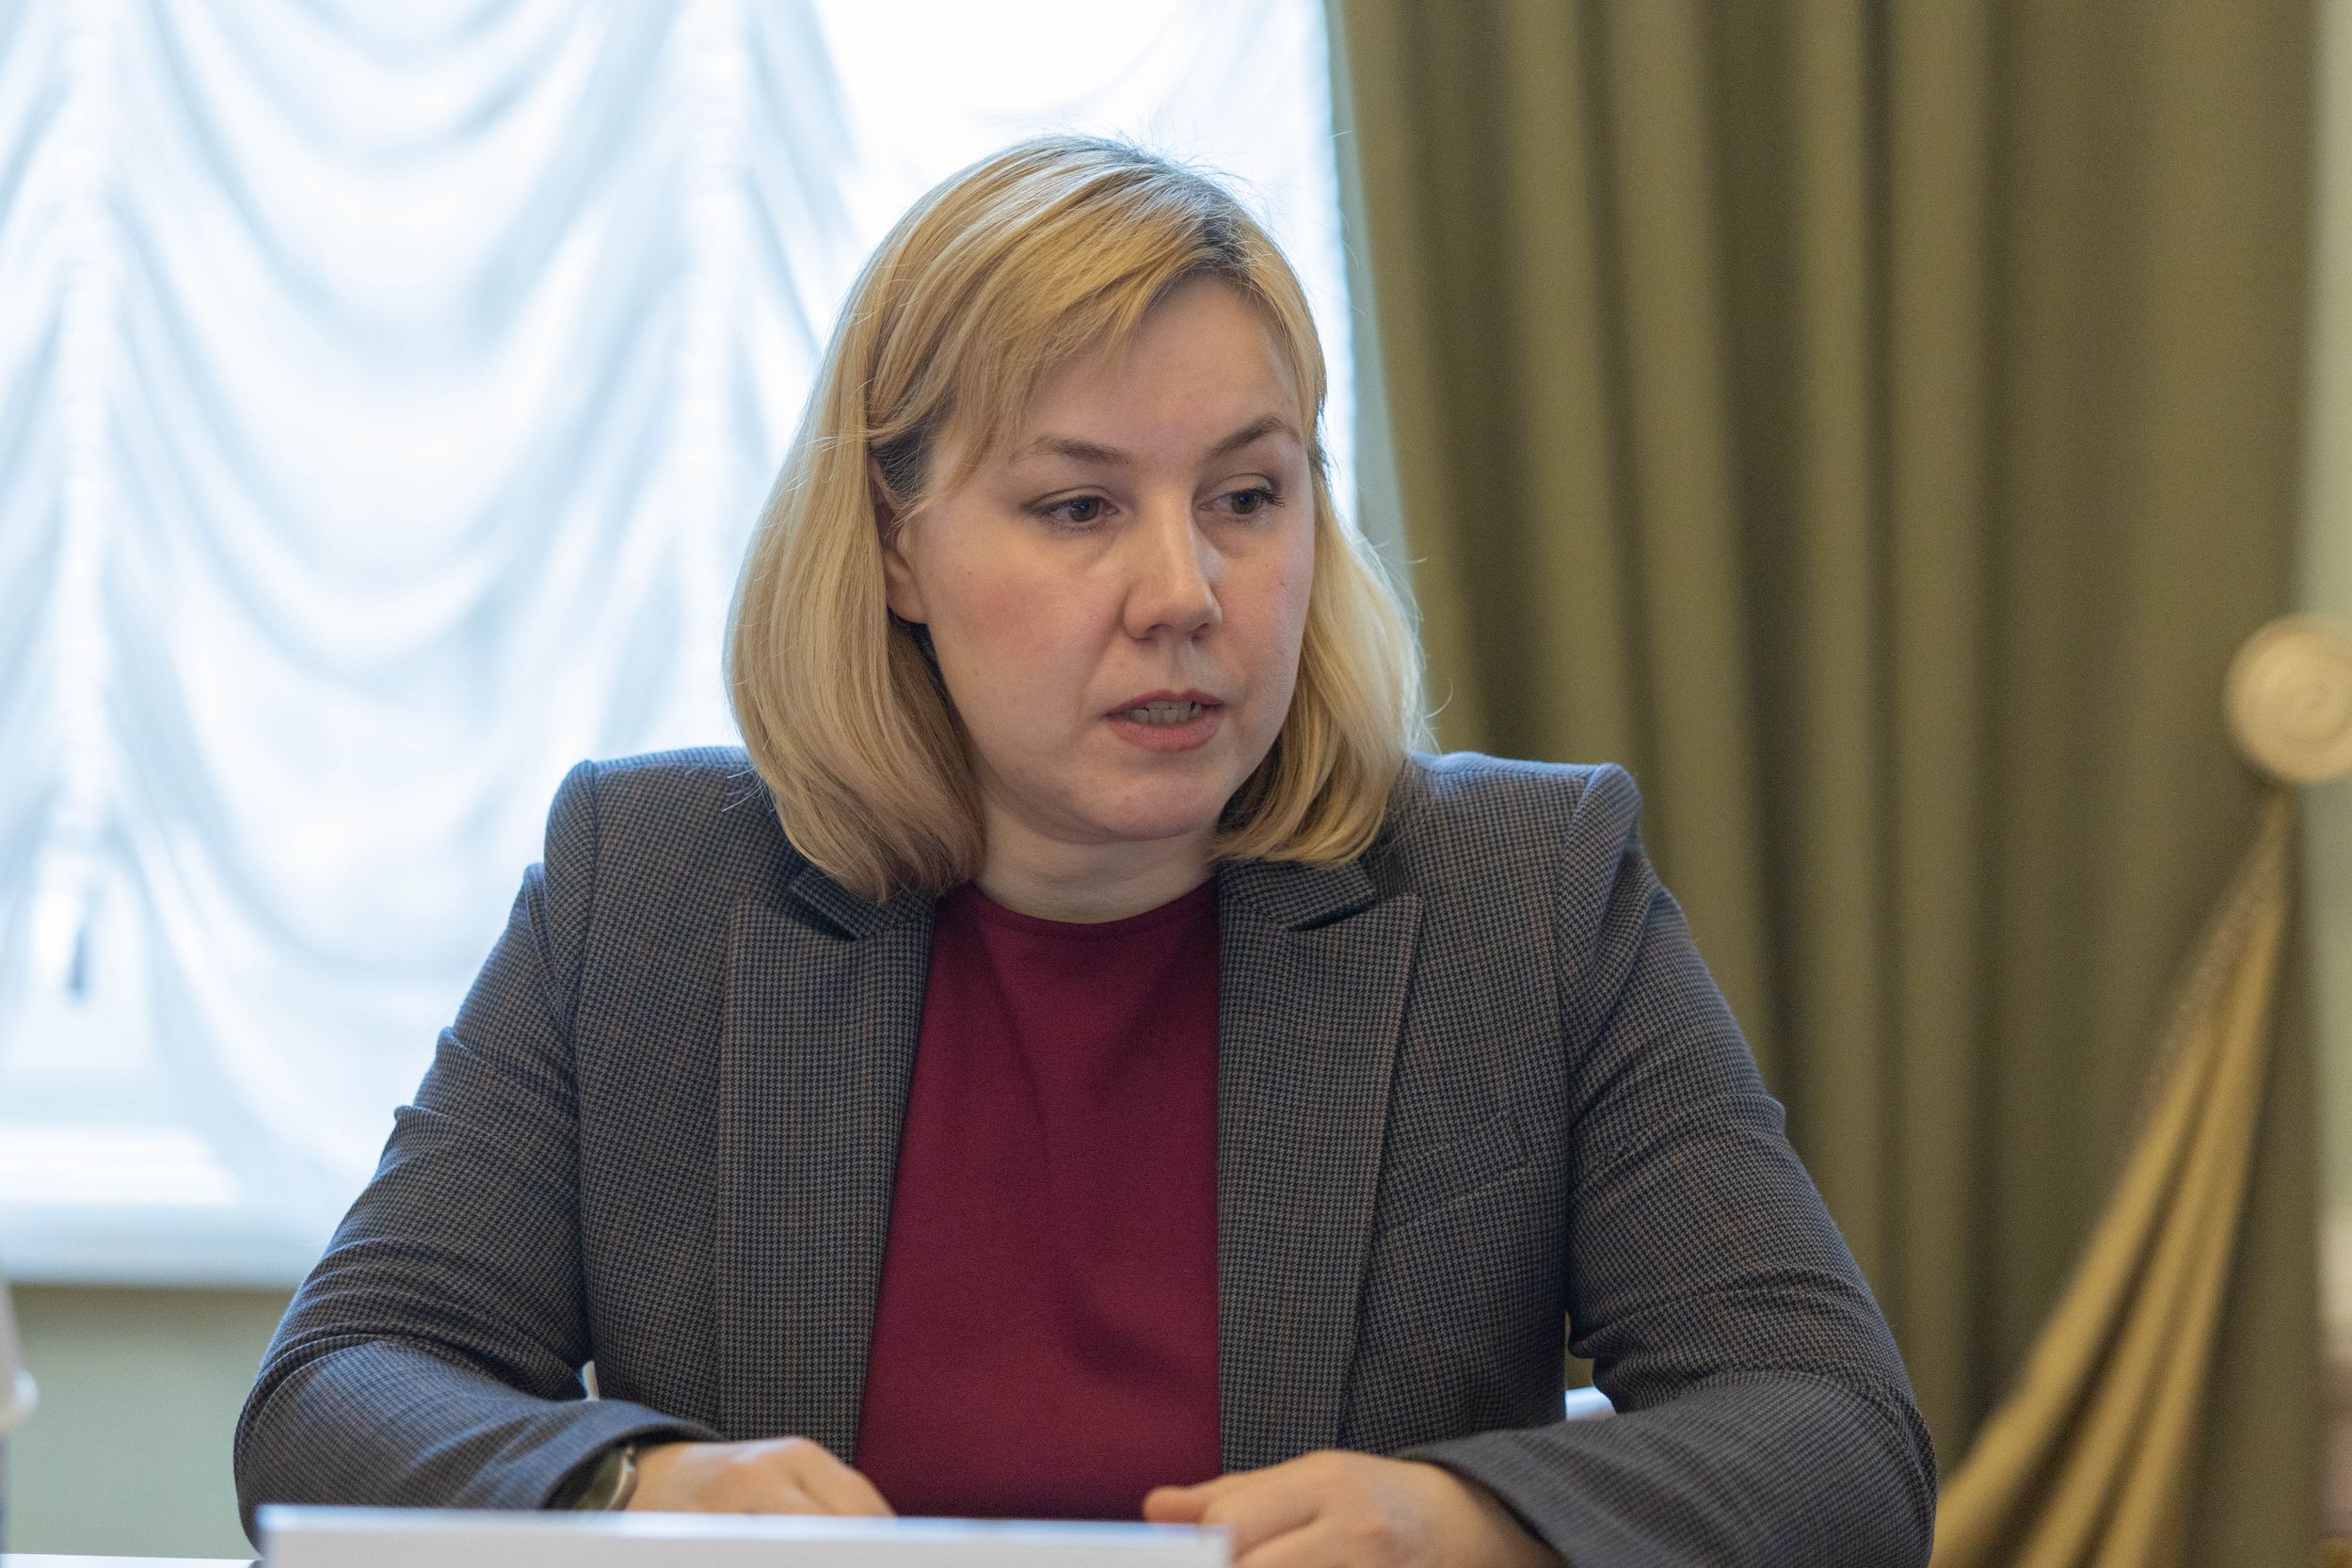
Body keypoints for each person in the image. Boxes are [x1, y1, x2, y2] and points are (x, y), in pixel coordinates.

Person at [233, 136, 1935, 1568]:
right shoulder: (655, 884)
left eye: (1247, 498)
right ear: (895, 544)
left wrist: (1467, 1517)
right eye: (1079, 507)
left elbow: (1838, 1434)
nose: (1184, 592)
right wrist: (635, 1488)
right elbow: (338, 1387)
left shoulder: (1525, 894)